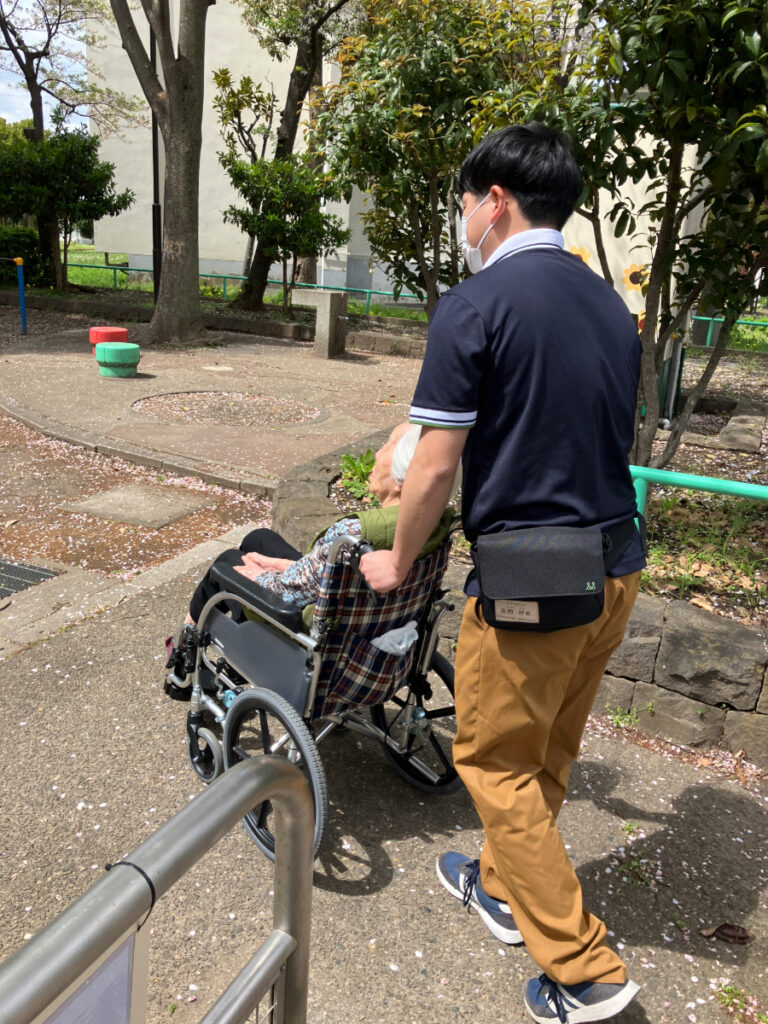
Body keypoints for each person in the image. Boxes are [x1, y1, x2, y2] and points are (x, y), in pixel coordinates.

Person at [361, 123, 646, 1024]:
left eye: (462, 204)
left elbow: (437, 467)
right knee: (549, 747)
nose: (461, 221)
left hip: (533, 578)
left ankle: (584, 969)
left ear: (494, 199)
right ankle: (495, 884)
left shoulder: (475, 303)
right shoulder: (608, 304)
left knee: (492, 762)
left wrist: (395, 556)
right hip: (616, 567)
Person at [165, 421, 455, 697]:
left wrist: (255, 574)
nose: (377, 454)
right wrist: (280, 566)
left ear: (405, 480)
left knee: (228, 563)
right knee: (259, 539)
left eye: (387, 446)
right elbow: (320, 578)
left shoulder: (355, 533)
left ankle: (185, 651)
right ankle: (215, 644)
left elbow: (288, 592)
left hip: (322, 644)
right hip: (373, 635)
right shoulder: (436, 523)